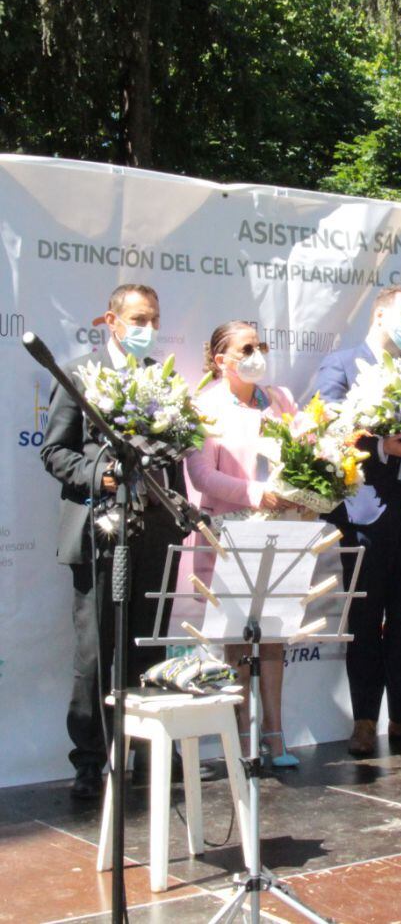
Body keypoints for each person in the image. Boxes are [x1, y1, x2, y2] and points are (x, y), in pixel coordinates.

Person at [41, 284, 186, 799]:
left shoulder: (160, 380)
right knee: (96, 650)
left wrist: (180, 516)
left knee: (148, 646)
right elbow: (55, 453)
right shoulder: (80, 374)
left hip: (153, 532)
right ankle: (91, 759)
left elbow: (174, 458)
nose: (148, 327)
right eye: (139, 317)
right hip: (100, 533)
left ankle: (150, 750)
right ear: (111, 320)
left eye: (155, 317)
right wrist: (99, 472)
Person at [313, 285, 401, 757]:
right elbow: (323, 432)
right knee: (366, 616)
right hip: (363, 510)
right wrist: (380, 447)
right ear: (379, 314)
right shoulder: (342, 363)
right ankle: (364, 721)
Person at [182, 320, 301, 769]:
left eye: (261, 345)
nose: (257, 355)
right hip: (228, 533)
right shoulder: (203, 407)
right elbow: (201, 476)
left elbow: (306, 452)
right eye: (247, 348)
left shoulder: (281, 400)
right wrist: (256, 494)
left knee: (273, 636)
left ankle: (275, 735)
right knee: (237, 644)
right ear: (221, 360)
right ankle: (241, 739)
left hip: (280, 531)